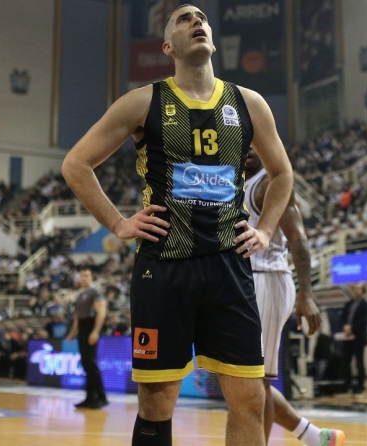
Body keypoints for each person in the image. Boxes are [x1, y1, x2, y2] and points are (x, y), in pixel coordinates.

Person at [61, 5, 293, 445]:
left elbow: (282, 174)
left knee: (249, 398)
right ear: (167, 46)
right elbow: (76, 164)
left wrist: (264, 230)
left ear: (212, 39)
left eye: (201, 17)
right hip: (164, 267)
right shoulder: (142, 101)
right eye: (184, 19)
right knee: (156, 402)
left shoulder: (249, 103)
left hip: (229, 266)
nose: (197, 21)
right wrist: (117, 223)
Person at [244, 150, 341, 445]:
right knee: (243, 381)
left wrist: (306, 295)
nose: (249, 149)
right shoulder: (235, 182)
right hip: (244, 283)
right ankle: (315, 437)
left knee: (256, 381)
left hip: (267, 280)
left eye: (256, 143)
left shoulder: (270, 182)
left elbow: (298, 237)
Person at [66, 268, 108, 409]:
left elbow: (101, 312)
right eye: (82, 276)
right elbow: (77, 317)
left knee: (91, 362)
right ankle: (90, 397)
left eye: (87, 275)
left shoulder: (94, 293)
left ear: (91, 278)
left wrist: (95, 331)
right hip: (83, 329)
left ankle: (102, 397)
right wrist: (72, 333)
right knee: (86, 363)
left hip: (91, 326)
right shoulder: (80, 295)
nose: (84, 278)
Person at [340, 283, 367, 397]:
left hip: (358, 337)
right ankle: (347, 385)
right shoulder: (348, 304)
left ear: (363, 291)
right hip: (347, 337)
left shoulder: (366, 305)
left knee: (359, 362)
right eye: (354, 289)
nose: (356, 291)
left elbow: (363, 321)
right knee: (345, 361)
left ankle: (360, 386)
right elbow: (343, 317)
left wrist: (352, 329)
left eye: (358, 289)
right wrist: (345, 327)